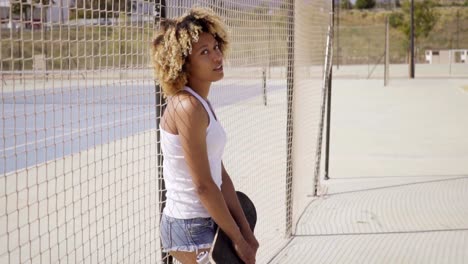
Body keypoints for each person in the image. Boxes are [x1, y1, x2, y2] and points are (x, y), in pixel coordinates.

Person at [151, 7, 259, 264]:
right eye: (204, 52)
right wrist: (238, 240)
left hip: (208, 219)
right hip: (188, 226)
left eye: (215, 47)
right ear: (182, 63)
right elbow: (203, 185)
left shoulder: (201, 103)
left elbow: (219, 175)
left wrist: (245, 233)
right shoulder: (186, 107)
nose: (217, 57)